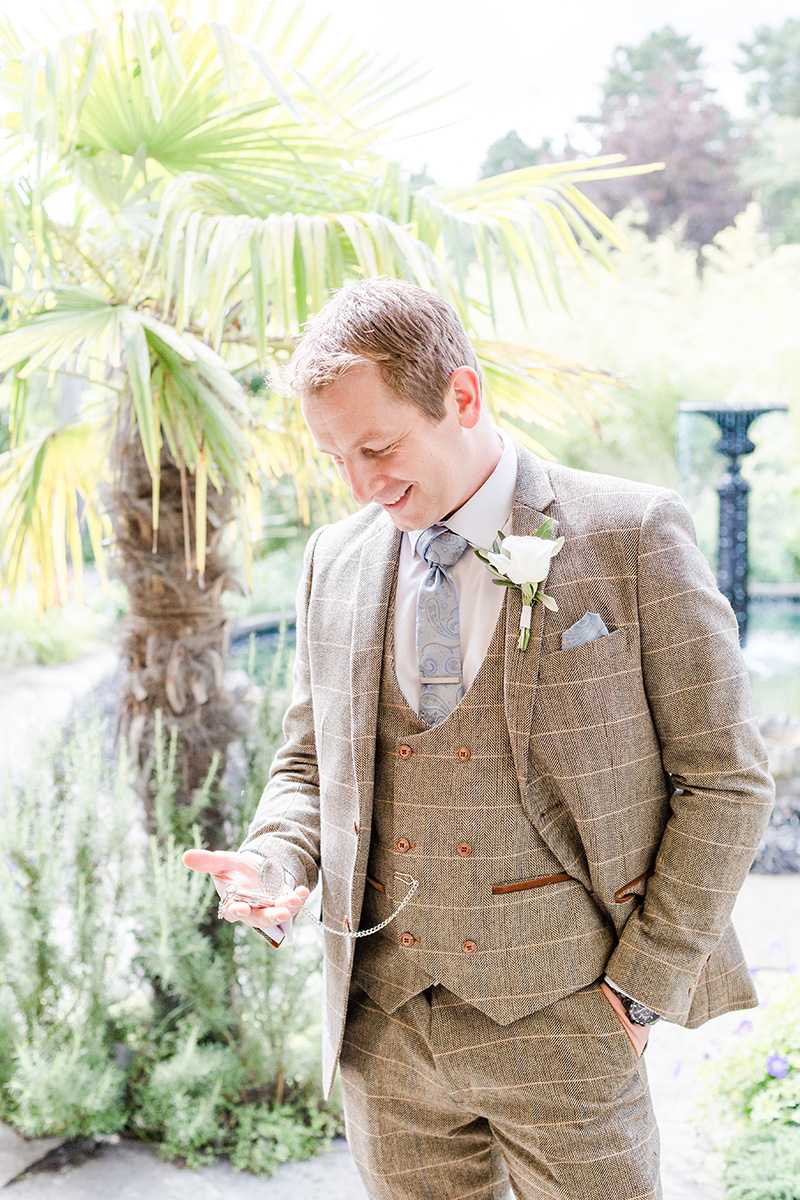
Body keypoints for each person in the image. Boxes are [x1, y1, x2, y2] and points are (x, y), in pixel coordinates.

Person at [184, 277, 774, 1200]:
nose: (361, 484)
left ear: (461, 397)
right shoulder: (333, 562)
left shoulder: (630, 534)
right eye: (334, 457)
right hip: (383, 1029)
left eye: (378, 447)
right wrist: (275, 865)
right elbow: (309, 764)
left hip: (570, 1019)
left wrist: (641, 986)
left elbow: (727, 782)